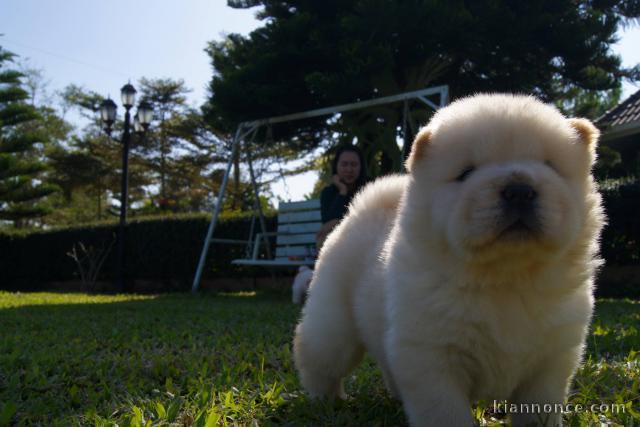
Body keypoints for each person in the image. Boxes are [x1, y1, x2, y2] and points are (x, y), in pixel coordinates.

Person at [316, 145, 368, 250]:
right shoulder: (328, 193)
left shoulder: (370, 188)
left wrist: (337, 222)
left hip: (365, 240)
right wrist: (342, 191)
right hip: (338, 244)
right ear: (336, 166)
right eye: (344, 164)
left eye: (354, 165)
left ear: (360, 167)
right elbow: (327, 221)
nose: (349, 169)